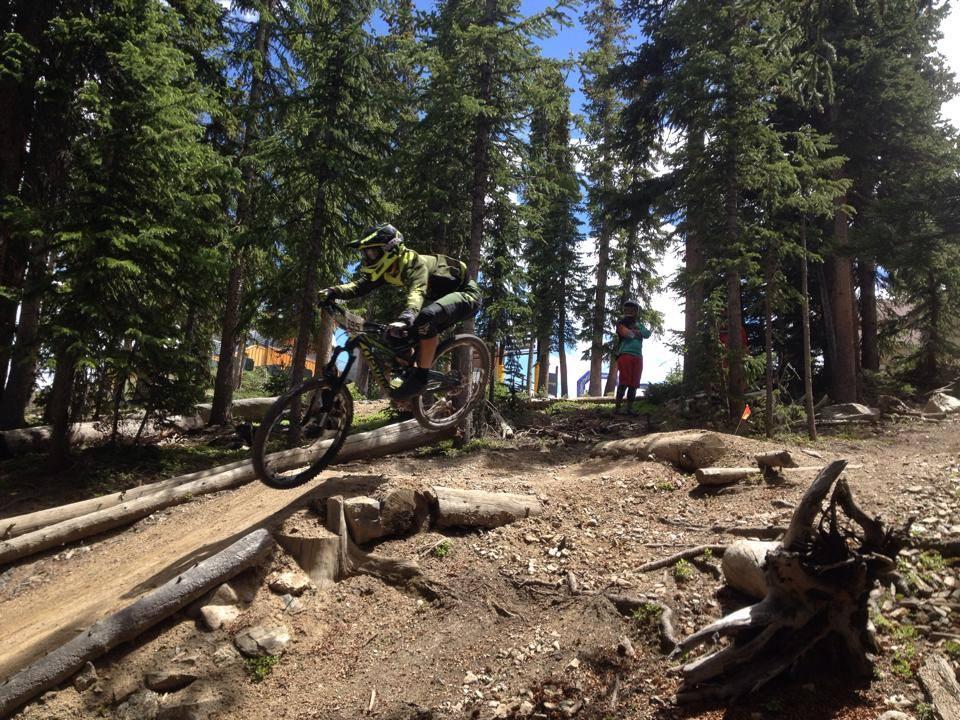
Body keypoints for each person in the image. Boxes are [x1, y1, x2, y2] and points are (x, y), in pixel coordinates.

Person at [319, 223, 482, 399]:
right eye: (365, 254)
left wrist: (407, 316)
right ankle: (410, 376)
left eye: (372, 253)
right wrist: (333, 291)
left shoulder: (414, 262)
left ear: (390, 249)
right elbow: (360, 286)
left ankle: (421, 377)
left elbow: (417, 291)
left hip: (468, 295)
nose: (367, 258)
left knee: (426, 317)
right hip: (444, 299)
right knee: (394, 336)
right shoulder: (387, 269)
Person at [613, 299, 651, 415]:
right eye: (627, 309)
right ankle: (618, 408)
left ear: (636, 312)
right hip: (625, 355)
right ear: (624, 311)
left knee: (634, 384)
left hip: (638, 356)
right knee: (624, 382)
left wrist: (635, 331)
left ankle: (629, 409)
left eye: (632, 309)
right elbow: (628, 334)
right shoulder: (621, 323)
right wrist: (637, 332)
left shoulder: (639, 324)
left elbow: (647, 334)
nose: (629, 311)